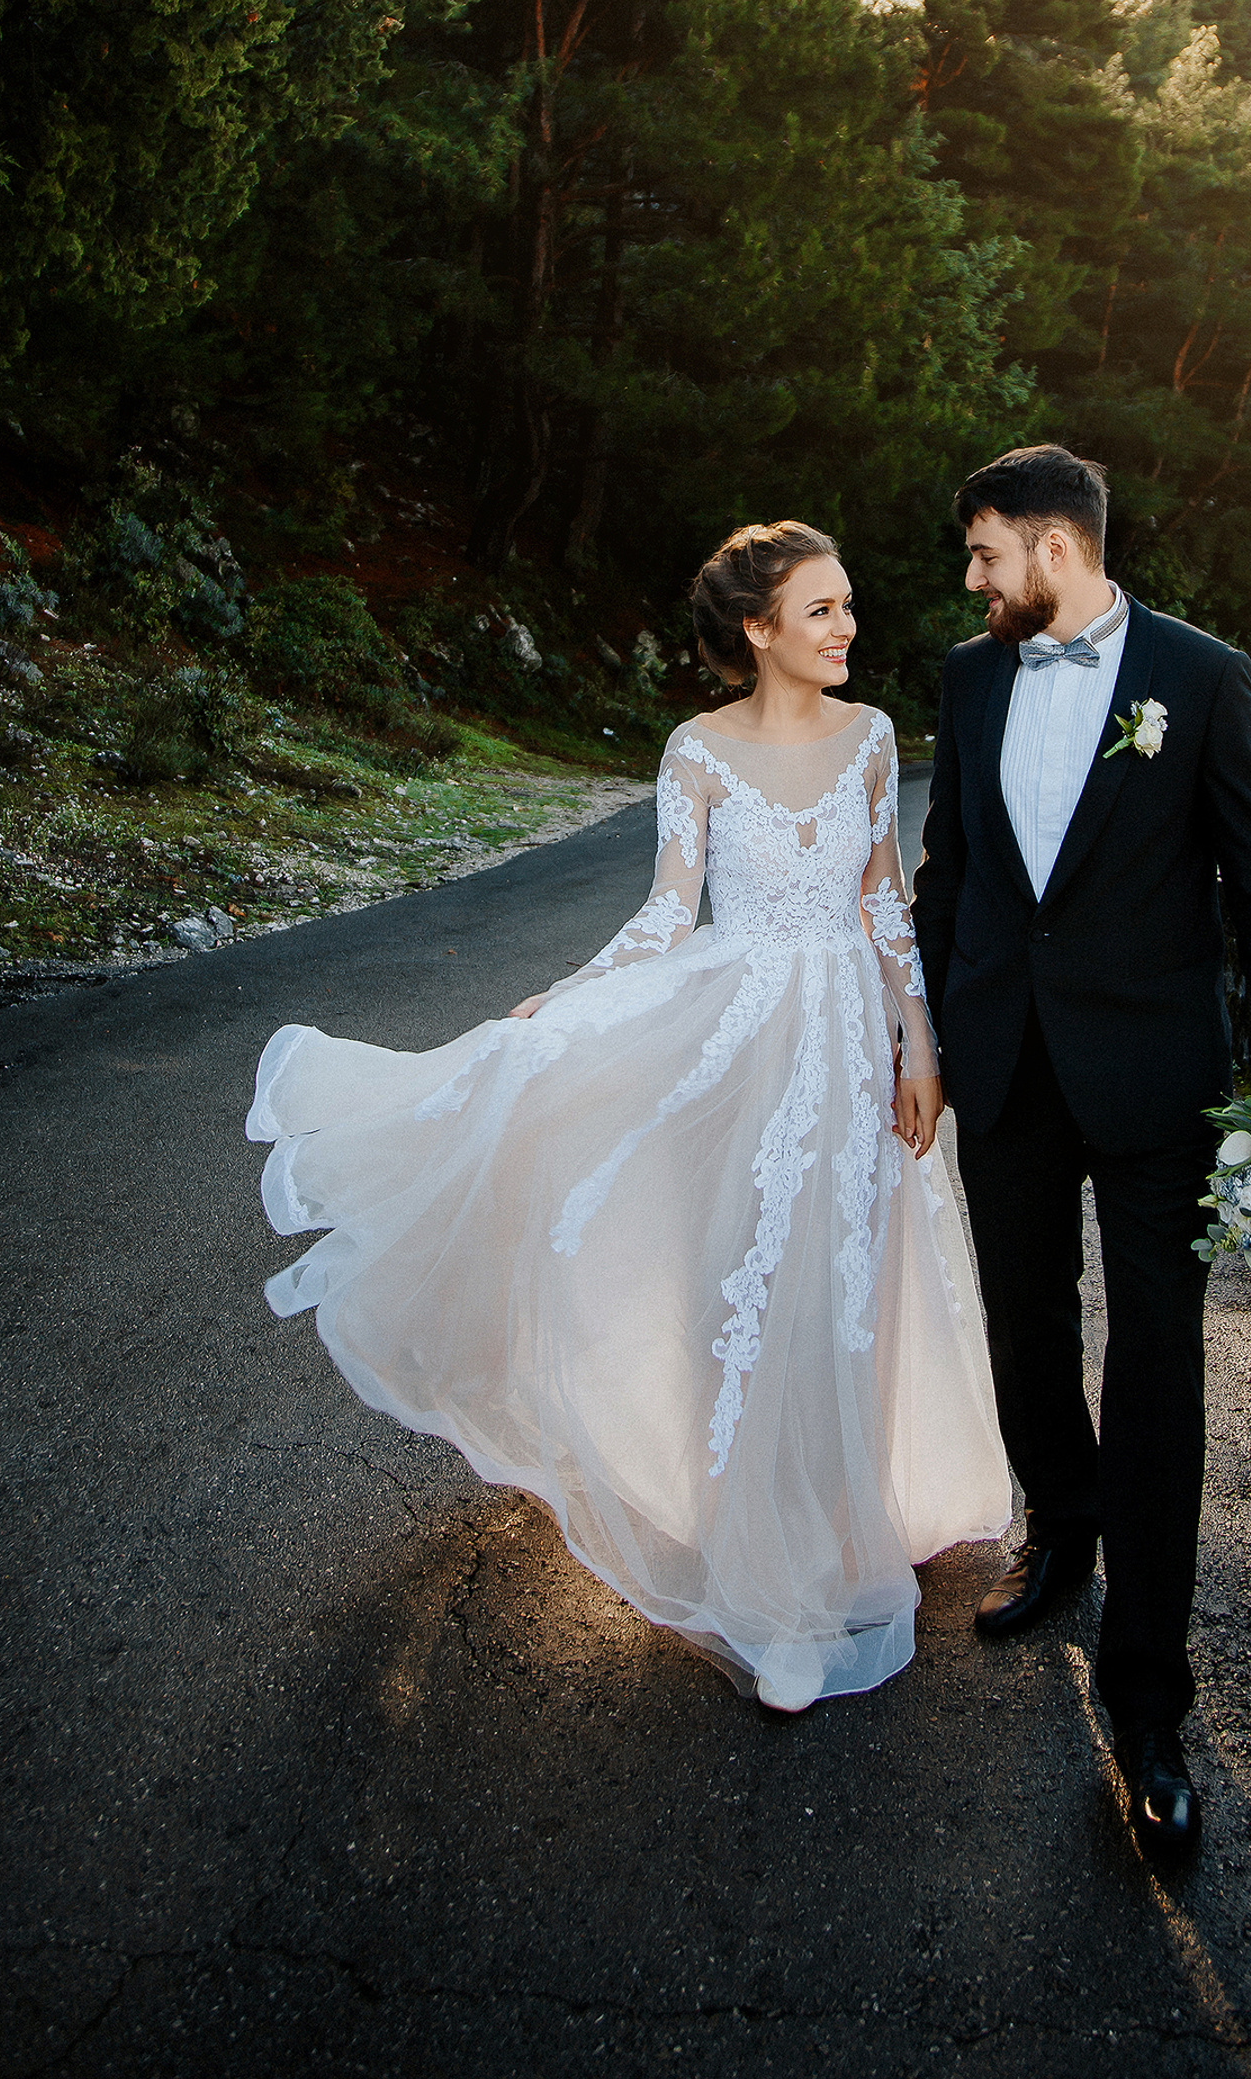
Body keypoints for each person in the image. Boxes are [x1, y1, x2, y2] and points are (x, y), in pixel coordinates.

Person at [247, 521, 1009, 1713]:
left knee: (842, 1289)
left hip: (854, 1046)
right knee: (740, 1287)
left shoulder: (871, 739)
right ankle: (771, 1586)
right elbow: (669, 910)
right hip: (739, 1037)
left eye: (848, 605)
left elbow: (885, 900)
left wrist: (918, 1040)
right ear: (758, 630)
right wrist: (577, 995)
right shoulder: (696, 751)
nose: (847, 627)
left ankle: (844, 1528)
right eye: (821, 610)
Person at [911, 445, 1251, 1855]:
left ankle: (1150, 1703)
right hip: (1006, 1071)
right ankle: (1061, 1527)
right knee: (1026, 1331)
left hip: (1157, 1089)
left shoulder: (1203, 679)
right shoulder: (969, 682)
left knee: (1158, 1370)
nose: (970, 578)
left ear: (1057, 551)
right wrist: (934, 1034)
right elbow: (949, 873)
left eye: (984, 553)